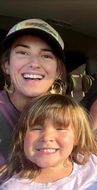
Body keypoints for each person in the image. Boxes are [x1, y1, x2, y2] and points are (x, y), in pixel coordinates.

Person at [0, 94, 97, 190]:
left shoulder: (89, 162)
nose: (46, 137)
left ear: (77, 137)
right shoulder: (14, 187)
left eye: (60, 128)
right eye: (37, 128)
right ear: (23, 136)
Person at [0, 18, 67, 164]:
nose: (34, 64)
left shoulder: (68, 115)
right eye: (23, 53)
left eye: (46, 56)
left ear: (58, 72)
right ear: (6, 65)